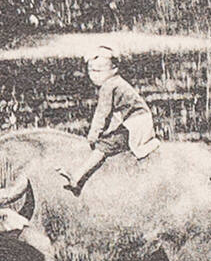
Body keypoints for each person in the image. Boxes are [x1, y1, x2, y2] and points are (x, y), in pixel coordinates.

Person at [57, 44, 160, 191]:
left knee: (103, 147)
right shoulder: (116, 82)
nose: (94, 75)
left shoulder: (109, 87)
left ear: (114, 69)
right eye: (91, 70)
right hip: (138, 120)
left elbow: (102, 114)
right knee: (109, 138)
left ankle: (77, 177)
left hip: (135, 124)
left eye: (99, 71)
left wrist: (93, 136)